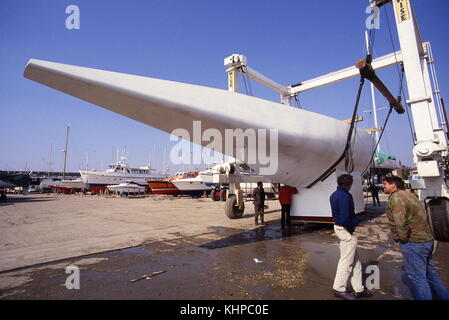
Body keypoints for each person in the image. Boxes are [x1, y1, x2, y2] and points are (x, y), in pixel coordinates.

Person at [383, 176, 449, 300]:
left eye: (385, 184)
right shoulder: (409, 195)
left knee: (417, 277)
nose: (383, 186)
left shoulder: (397, 198)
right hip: (426, 240)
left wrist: (401, 239)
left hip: (413, 242)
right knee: (430, 274)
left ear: (393, 185)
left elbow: (400, 223)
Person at [330, 174, 372, 300]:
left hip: (340, 228)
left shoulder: (334, 195)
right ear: (349, 183)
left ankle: (358, 289)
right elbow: (344, 218)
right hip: (346, 230)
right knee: (346, 261)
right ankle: (339, 288)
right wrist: (356, 221)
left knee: (356, 262)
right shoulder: (345, 196)